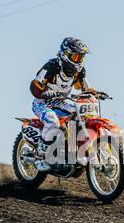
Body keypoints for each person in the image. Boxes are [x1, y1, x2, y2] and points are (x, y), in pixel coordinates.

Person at [29, 37, 92, 171]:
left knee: (80, 116)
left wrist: (95, 94)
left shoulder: (80, 71)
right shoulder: (52, 65)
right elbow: (34, 84)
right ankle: (41, 155)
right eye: (75, 57)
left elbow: (86, 89)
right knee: (53, 121)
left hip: (61, 103)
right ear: (65, 54)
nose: (78, 61)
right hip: (42, 102)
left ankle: (71, 152)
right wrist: (44, 92)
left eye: (81, 58)